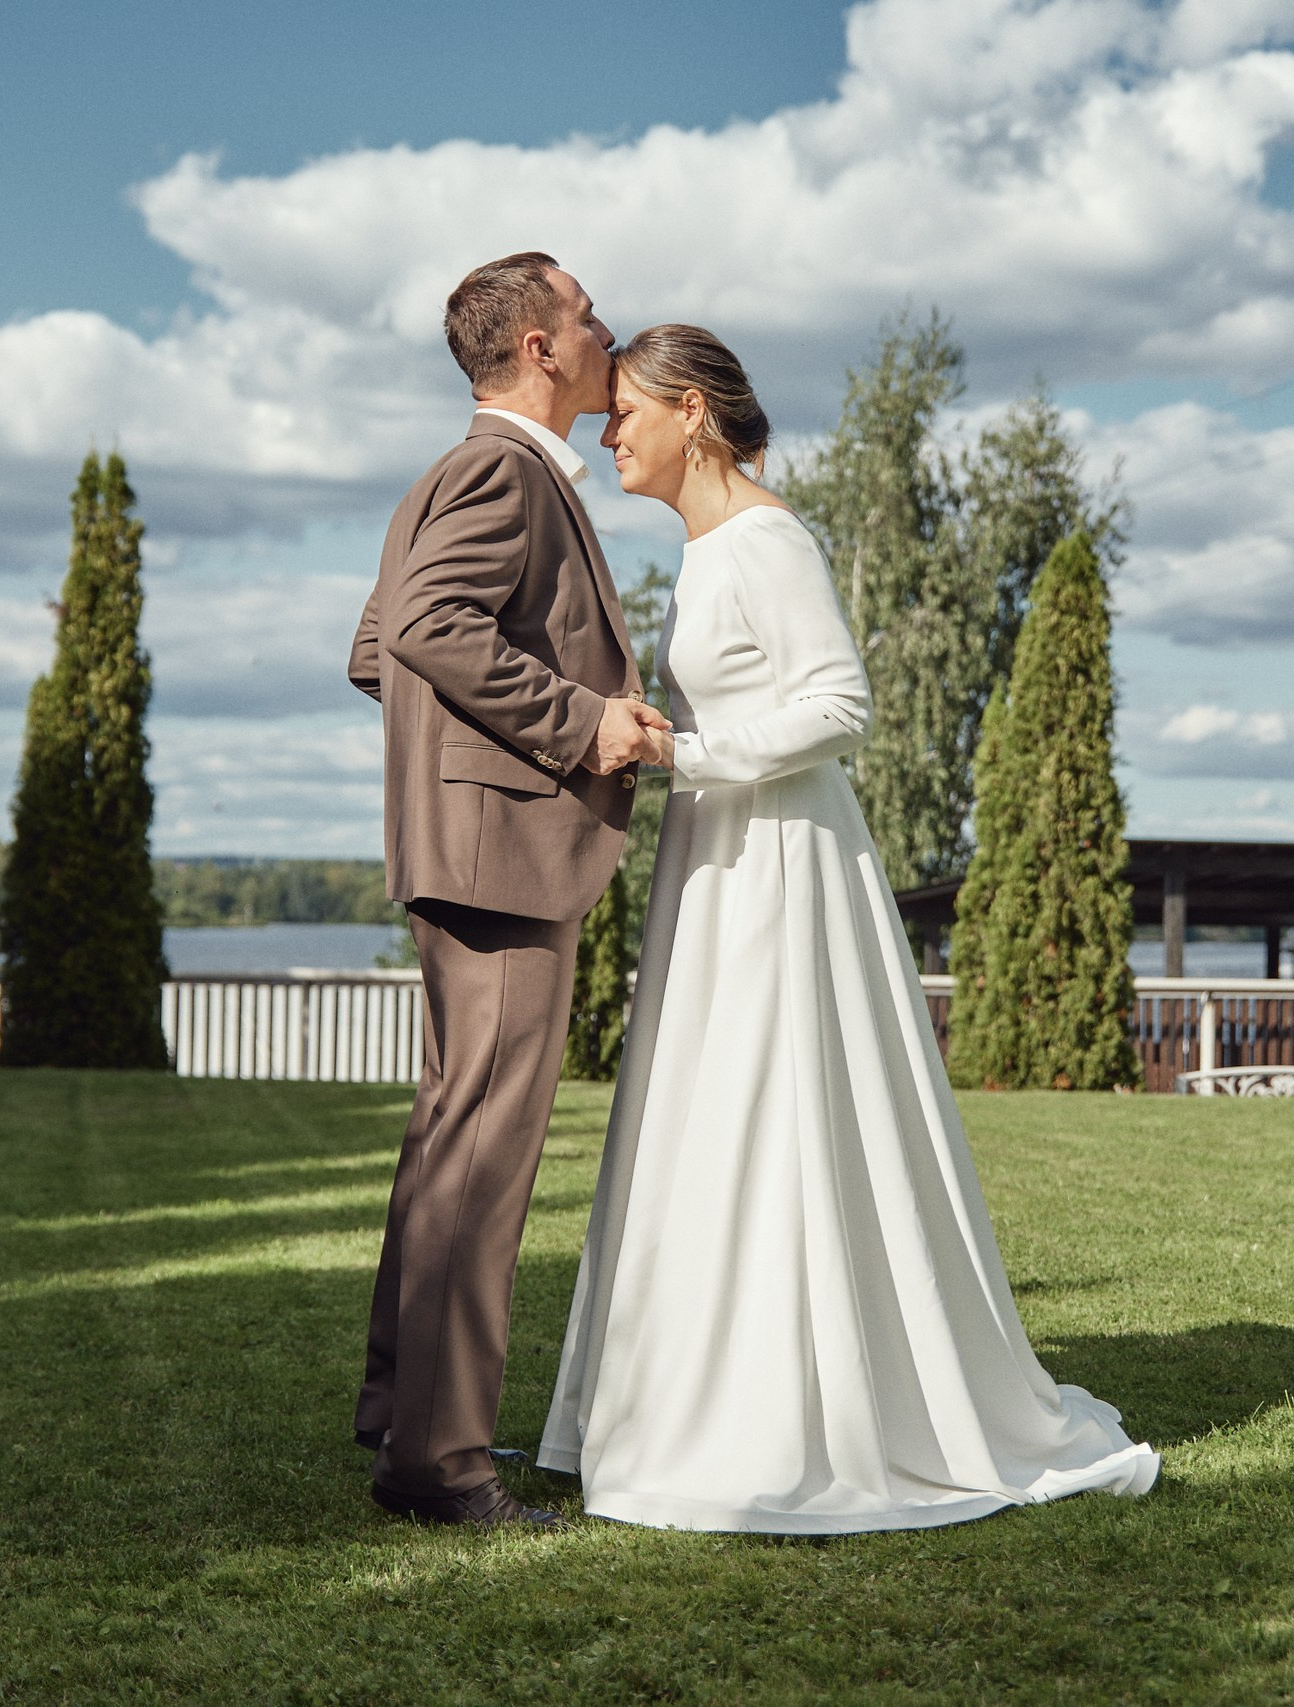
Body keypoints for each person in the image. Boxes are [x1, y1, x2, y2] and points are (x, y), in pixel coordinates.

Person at [538, 325, 1159, 1533]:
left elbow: (840, 703)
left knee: (778, 1112)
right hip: (718, 856)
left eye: (622, 411)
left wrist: (690, 753)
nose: (605, 432)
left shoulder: (767, 540)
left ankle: (788, 1413)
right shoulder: (708, 547)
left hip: (778, 866)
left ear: (694, 414)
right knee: (709, 1116)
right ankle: (682, 1398)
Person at [346, 253, 672, 1530]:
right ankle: (440, 1461)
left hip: (473, 847)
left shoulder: (454, 470)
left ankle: (401, 1411)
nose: (606, 330)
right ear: (540, 346)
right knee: (483, 1151)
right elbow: (423, 627)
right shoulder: (502, 469)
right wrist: (577, 727)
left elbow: (380, 649)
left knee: (452, 1135)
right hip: (501, 862)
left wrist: (455, 769)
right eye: (587, 314)